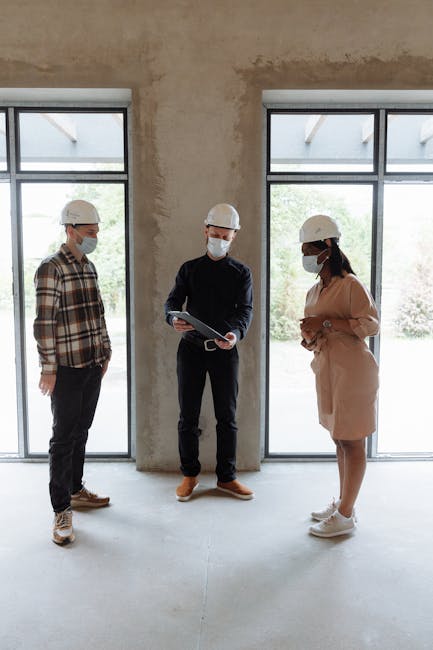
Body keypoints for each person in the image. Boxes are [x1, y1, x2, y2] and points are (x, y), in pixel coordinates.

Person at [34, 199, 111, 545]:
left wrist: (105, 351)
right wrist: (48, 369)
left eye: (96, 231)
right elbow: (44, 323)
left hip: (92, 363)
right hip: (65, 369)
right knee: (63, 437)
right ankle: (61, 509)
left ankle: (76, 488)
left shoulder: (88, 267)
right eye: (89, 231)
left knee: (82, 429)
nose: (94, 236)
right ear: (70, 229)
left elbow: (98, 313)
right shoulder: (51, 268)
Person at [164, 203, 254, 502]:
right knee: (187, 415)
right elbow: (172, 302)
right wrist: (173, 318)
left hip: (225, 351)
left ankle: (227, 478)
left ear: (234, 236)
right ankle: (189, 475)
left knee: (226, 416)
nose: (220, 240)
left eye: (226, 236)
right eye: (215, 234)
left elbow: (245, 310)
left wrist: (235, 334)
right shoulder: (189, 269)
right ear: (205, 231)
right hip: (190, 351)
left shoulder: (241, 273)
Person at [299, 214, 379, 538]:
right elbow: (315, 334)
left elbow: (370, 325)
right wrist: (308, 335)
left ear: (327, 246)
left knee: (352, 440)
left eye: (308, 249)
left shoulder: (351, 285)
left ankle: (345, 515)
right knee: (338, 439)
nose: (305, 257)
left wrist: (327, 324)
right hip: (328, 372)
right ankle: (345, 503)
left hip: (353, 372)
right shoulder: (315, 290)